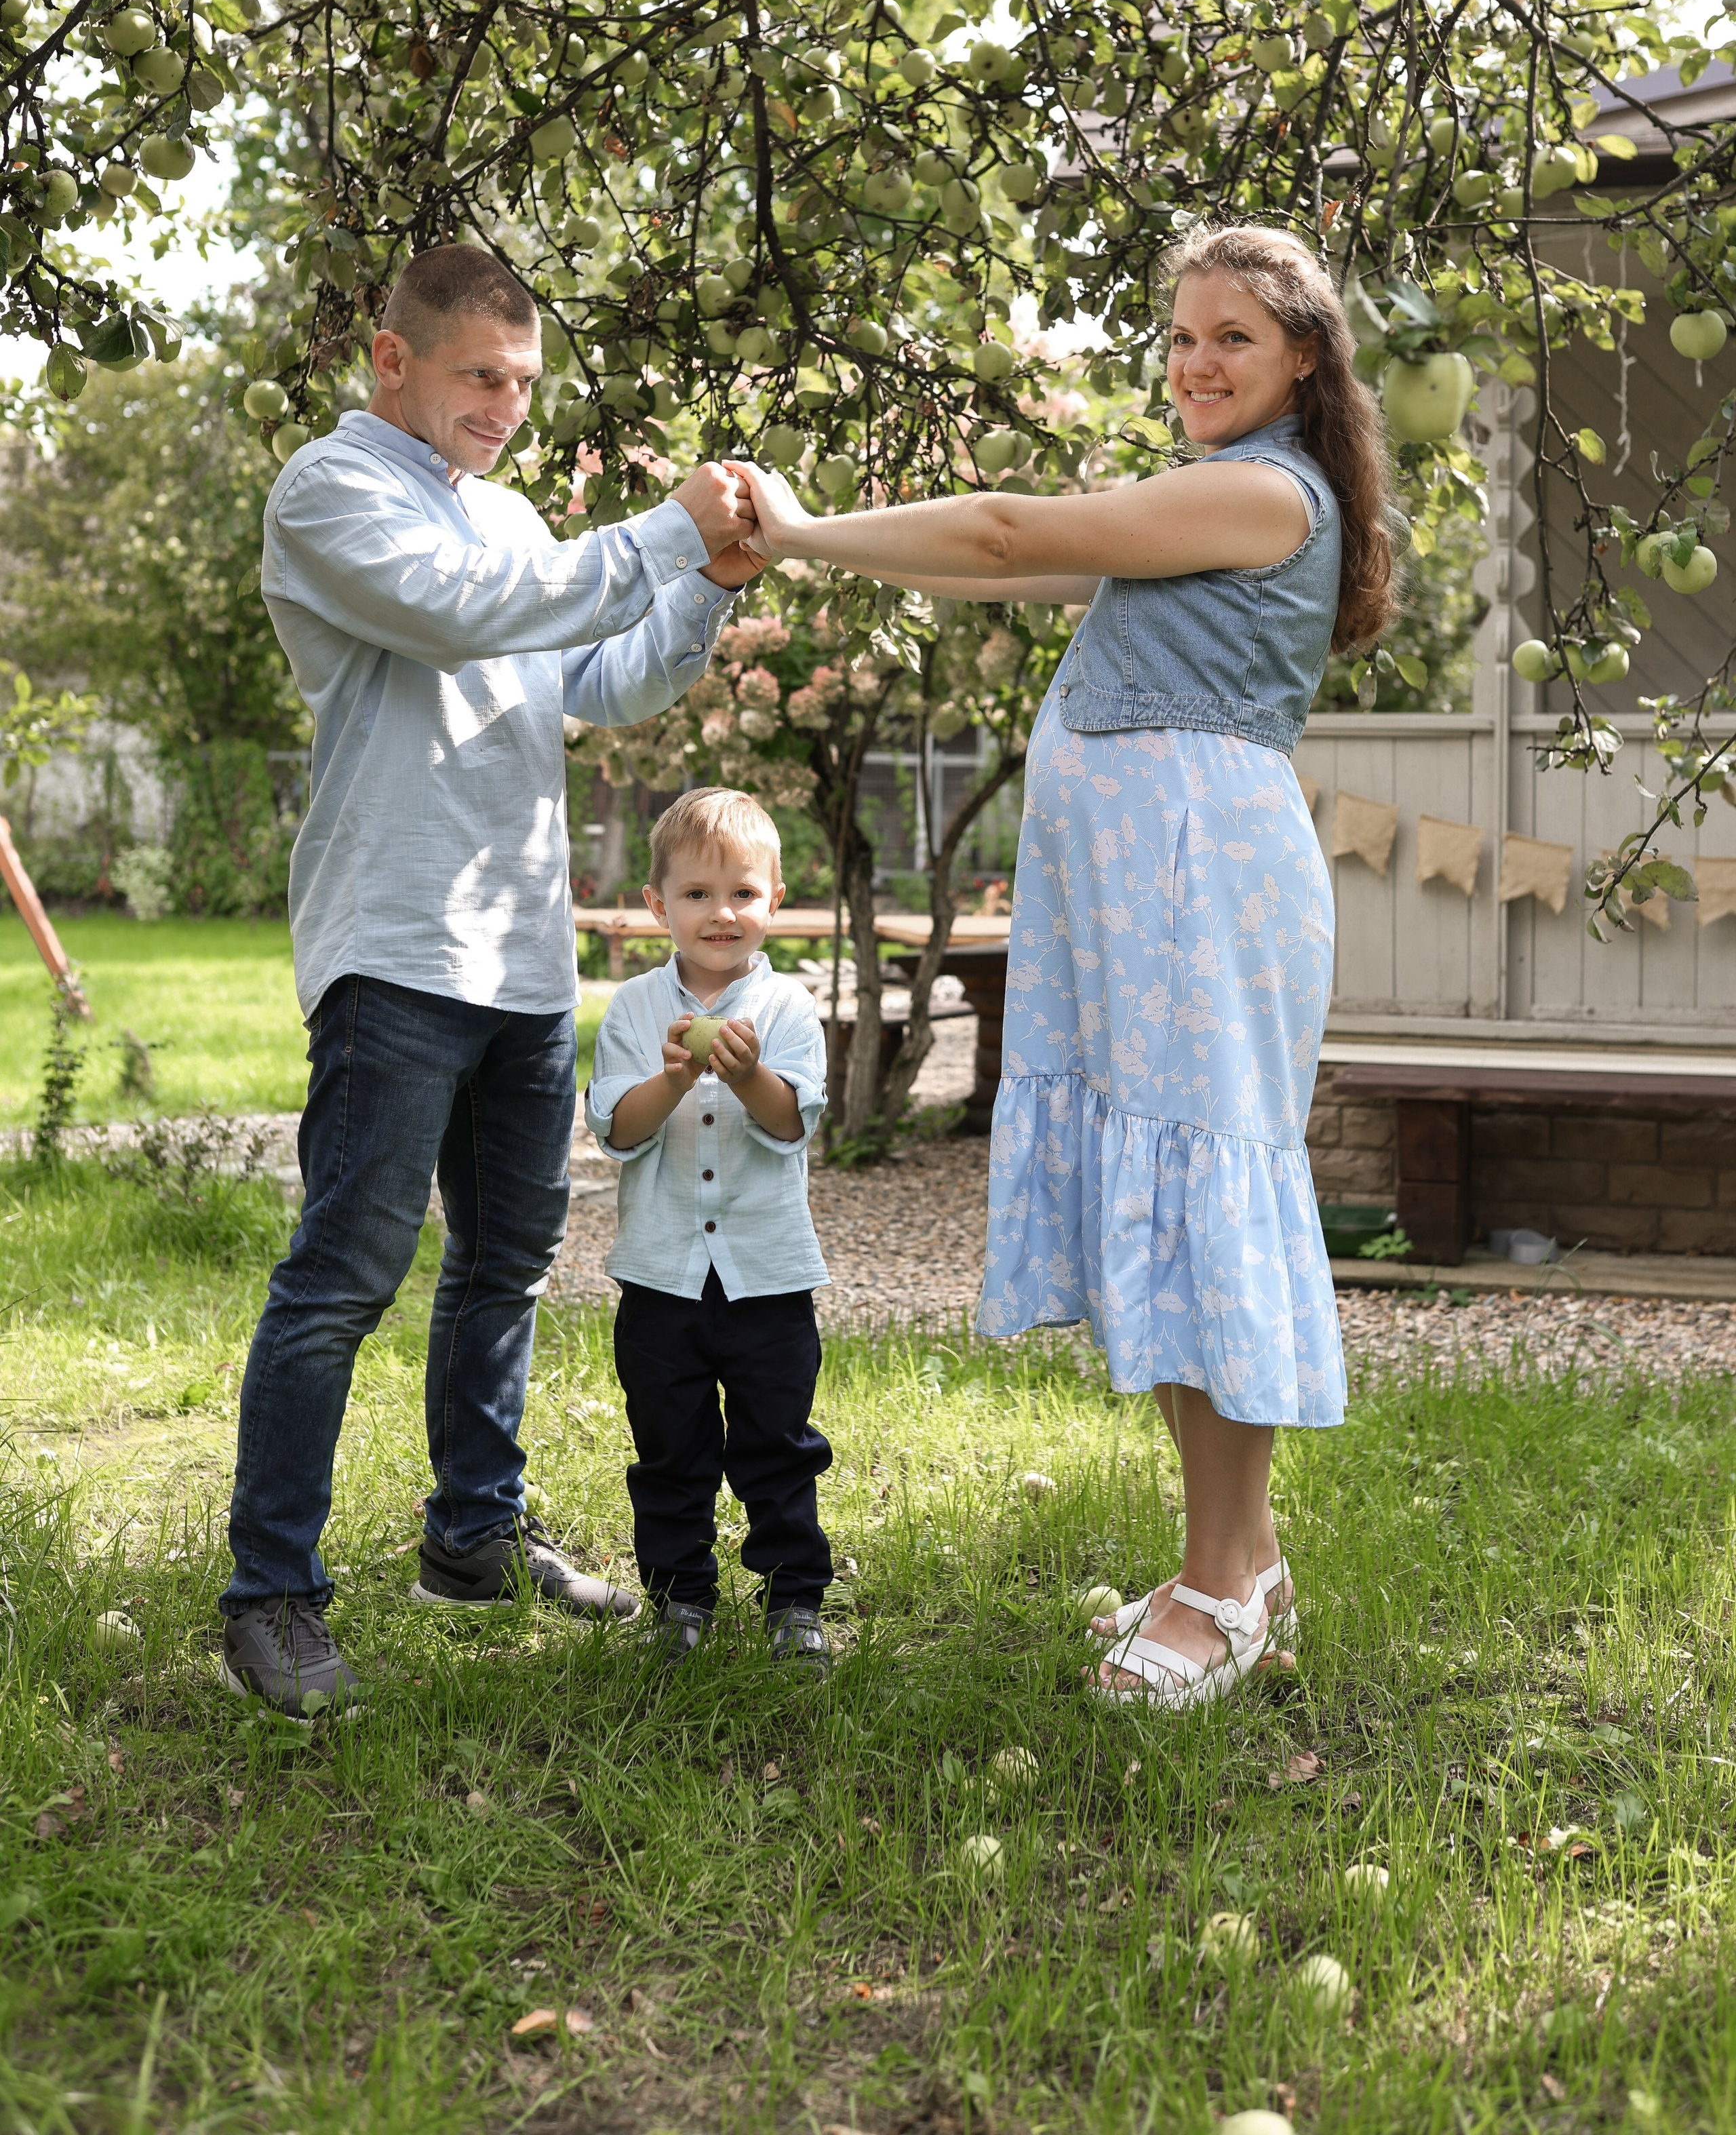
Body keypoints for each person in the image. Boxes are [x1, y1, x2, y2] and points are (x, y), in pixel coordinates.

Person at [732, 223, 1398, 1710]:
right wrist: (809, 546)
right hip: (1140, 895)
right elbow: (1000, 568)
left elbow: (1001, 533)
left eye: (1228, 336)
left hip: (1197, 893)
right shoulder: (1208, 498)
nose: (1192, 363)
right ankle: (1234, 1562)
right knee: (1171, 1207)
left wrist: (795, 530)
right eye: (1176, 337)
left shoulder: (1254, 493)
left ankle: (1226, 1583)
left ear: (1300, 356)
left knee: (1201, 1194)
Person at [220, 242, 764, 1718]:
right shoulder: (331, 494)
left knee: (507, 1266)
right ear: (392, 361)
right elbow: (468, 613)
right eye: (479, 376)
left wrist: (703, 590)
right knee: (343, 1278)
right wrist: (660, 528)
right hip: (394, 949)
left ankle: (470, 1537)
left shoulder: (509, 516)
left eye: (523, 383)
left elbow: (590, 680)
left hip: (520, 956)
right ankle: (269, 1591)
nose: (505, 407)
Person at [583, 786, 833, 1670]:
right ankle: (680, 1597)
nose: (720, 913)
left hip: (768, 1277)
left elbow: (791, 1122)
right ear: (659, 906)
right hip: (660, 1279)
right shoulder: (633, 1009)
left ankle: (794, 1597)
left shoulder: (791, 1010)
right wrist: (678, 1080)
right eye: (696, 894)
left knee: (778, 1443)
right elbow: (617, 1127)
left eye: (743, 894)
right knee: (670, 1446)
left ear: (774, 903)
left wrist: (751, 1072)